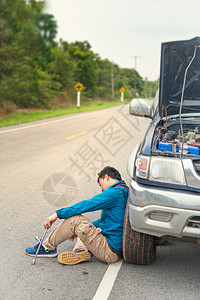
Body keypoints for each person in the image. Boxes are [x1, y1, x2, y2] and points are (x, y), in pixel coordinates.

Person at [25, 166, 129, 265]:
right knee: (84, 226)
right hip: (114, 249)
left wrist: (58, 214)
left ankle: (47, 247)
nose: (101, 190)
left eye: (100, 184)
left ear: (106, 177)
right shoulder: (124, 191)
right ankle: (82, 252)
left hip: (109, 250)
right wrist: (77, 231)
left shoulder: (115, 193)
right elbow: (105, 221)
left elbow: (87, 204)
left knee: (75, 220)